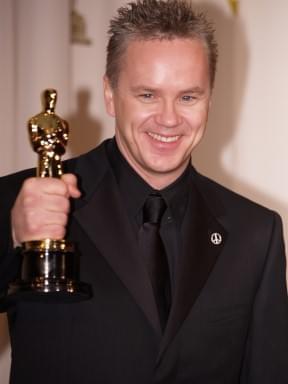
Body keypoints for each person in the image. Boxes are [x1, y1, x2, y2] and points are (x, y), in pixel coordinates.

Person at [0, 0, 287, 383]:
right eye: (147, 94)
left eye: (188, 96)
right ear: (109, 94)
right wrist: (14, 237)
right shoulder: (21, 200)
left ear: (210, 98)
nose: (169, 119)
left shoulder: (256, 232)